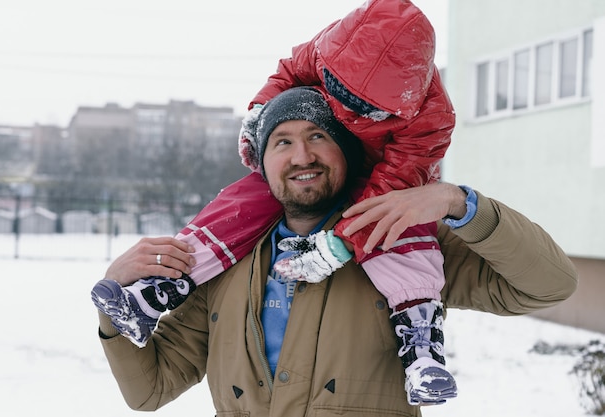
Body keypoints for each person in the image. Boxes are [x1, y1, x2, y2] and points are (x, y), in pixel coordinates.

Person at [95, 87, 577, 416]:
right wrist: (112, 302)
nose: (301, 156)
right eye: (282, 141)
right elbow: (150, 389)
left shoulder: (406, 244)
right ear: (262, 165)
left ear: (347, 153)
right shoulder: (225, 265)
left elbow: (550, 285)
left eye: (318, 136)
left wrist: (460, 205)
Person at [92, 0, 457, 405]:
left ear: (407, 99)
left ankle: (421, 340)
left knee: (399, 226)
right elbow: (285, 74)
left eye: (365, 108)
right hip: (325, 168)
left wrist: (341, 243)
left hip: (384, 181)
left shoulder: (431, 118)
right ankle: (159, 288)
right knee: (235, 206)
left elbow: (397, 182)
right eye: (338, 90)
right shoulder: (322, 50)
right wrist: (259, 115)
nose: (345, 110)